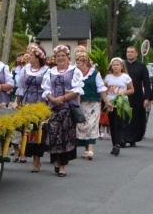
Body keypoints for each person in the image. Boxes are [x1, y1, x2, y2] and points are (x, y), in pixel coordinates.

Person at [41, 45, 83, 176]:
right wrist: (53, 99)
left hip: (68, 109)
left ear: (67, 57)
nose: (60, 58)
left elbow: (77, 89)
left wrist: (63, 98)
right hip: (53, 108)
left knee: (65, 137)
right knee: (53, 136)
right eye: (58, 56)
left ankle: (63, 166)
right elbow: (46, 89)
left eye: (63, 55)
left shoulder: (74, 71)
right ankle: (56, 161)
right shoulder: (50, 72)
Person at [15, 44, 49, 172]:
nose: (29, 57)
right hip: (27, 102)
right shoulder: (25, 69)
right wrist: (18, 102)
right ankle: (25, 153)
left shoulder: (46, 70)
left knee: (38, 131)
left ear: (38, 58)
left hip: (40, 103)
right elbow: (21, 87)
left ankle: (37, 160)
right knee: (26, 131)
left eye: (32, 56)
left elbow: (47, 88)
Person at [74, 51, 112, 160]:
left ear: (85, 62)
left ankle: (90, 150)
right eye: (76, 63)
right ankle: (86, 149)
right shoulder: (76, 74)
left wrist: (107, 101)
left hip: (93, 103)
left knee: (92, 125)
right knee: (82, 125)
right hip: (80, 103)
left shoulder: (95, 74)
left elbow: (101, 89)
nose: (77, 65)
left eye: (79, 63)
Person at [122, 45, 151, 147]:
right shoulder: (122, 65)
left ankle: (133, 138)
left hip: (138, 96)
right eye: (128, 52)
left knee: (136, 118)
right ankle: (123, 138)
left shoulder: (141, 66)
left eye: (132, 52)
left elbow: (146, 82)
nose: (129, 53)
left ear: (136, 54)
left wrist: (147, 98)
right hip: (124, 95)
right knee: (124, 117)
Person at [104, 57, 134, 156]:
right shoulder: (108, 77)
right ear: (111, 67)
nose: (115, 67)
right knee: (112, 125)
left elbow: (132, 89)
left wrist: (123, 92)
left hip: (121, 104)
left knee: (118, 125)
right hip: (110, 104)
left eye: (117, 65)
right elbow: (103, 89)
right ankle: (114, 145)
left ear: (121, 67)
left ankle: (117, 144)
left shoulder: (126, 77)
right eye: (114, 65)